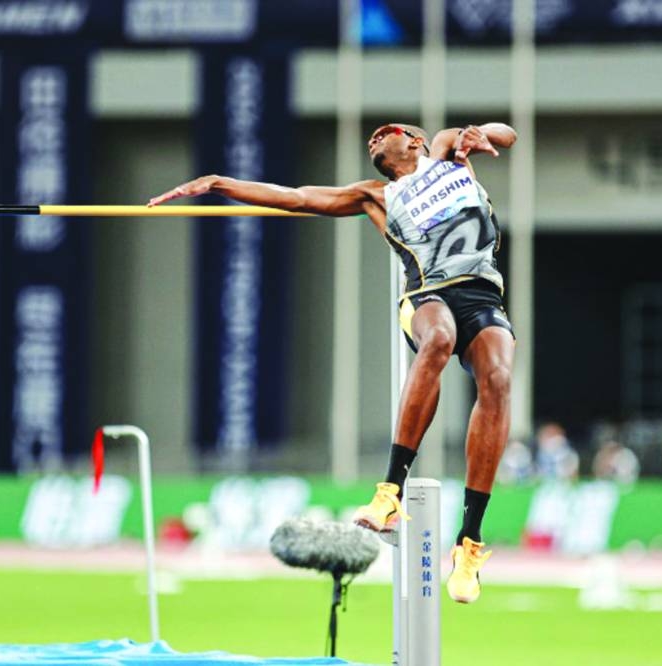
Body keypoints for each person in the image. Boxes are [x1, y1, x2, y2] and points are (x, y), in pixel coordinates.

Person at [149, 121, 517, 603]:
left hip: (481, 293)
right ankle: (389, 493)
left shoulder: (449, 150)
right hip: (427, 296)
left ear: (415, 139)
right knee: (439, 339)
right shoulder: (375, 196)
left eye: (384, 131)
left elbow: (506, 133)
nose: (373, 138)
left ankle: (468, 543)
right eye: (370, 138)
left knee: (498, 378)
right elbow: (297, 197)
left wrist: (483, 133)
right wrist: (221, 184)